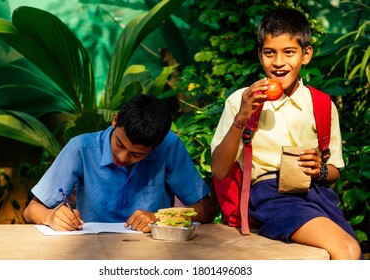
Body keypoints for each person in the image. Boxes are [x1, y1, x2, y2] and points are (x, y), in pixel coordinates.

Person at [210, 8, 362, 260]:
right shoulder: (242, 100)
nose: (278, 62)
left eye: (289, 52)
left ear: (306, 55)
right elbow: (218, 170)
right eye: (270, 53)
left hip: (316, 195)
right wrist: (242, 117)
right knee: (346, 249)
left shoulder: (322, 104)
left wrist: (320, 169)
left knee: (351, 255)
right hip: (270, 196)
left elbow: (334, 170)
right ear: (260, 56)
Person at [24, 94, 216, 233]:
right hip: (91, 250)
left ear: (156, 146)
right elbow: (31, 210)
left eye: (137, 154)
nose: (123, 157)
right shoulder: (80, 148)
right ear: (115, 120)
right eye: (119, 143)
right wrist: (50, 217)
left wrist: (159, 218)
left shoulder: (169, 146)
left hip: (152, 254)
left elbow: (206, 210)